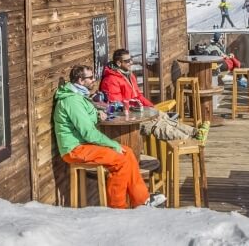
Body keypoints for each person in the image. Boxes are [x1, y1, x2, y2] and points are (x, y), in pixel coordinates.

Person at [54, 64, 166, 208]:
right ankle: (117, 208)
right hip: (75, 149)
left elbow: (85, 119)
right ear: (81, 81)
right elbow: (88, 133)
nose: (94, 80)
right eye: (90, 77)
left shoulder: (78, 96)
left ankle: (142, 200)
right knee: (120, 160)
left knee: (128, 152)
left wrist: (96, 114)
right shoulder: (72, 100)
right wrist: (113, 144)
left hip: (83, 145)